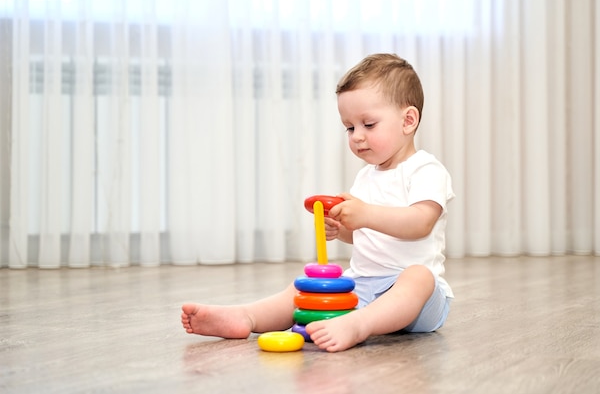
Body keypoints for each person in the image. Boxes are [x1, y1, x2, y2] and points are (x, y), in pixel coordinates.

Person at [181, 53, 455, 352]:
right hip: (366, 285)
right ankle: (247, 316)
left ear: (408, 120)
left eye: (369, 124)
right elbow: (367, 234)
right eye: (350, 128)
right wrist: (344, 229)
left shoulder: (426, 169)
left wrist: (364, 214)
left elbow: (420, 223)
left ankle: (358, 325)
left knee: (418, 277)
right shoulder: (365, 177)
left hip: (421, 302)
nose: (357, 137)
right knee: (308, 285)